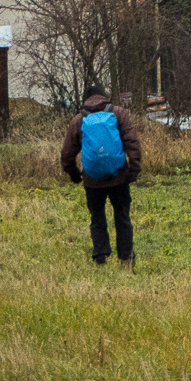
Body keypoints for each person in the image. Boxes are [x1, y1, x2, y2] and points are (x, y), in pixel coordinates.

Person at [60, 84, 143, 267]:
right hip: (119, 177)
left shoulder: (78, 120)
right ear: (104, 97)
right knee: (122, 216)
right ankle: (126, 257)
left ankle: (100, 257)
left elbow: (67, 154)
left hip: (92, 180)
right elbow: (132, 142)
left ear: (86, 99)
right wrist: (134, 169)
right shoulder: (118, 113)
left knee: (97, 219)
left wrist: (75, 175)